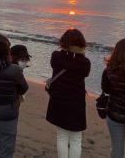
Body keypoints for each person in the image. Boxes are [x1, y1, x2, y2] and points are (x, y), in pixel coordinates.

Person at [46, 28, 91, 158]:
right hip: (76, 102)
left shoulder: (56, 56)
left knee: (61, 136)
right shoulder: (84, 62)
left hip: (58, 99)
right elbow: (85, 73)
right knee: (76, 139)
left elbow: (58, 61)